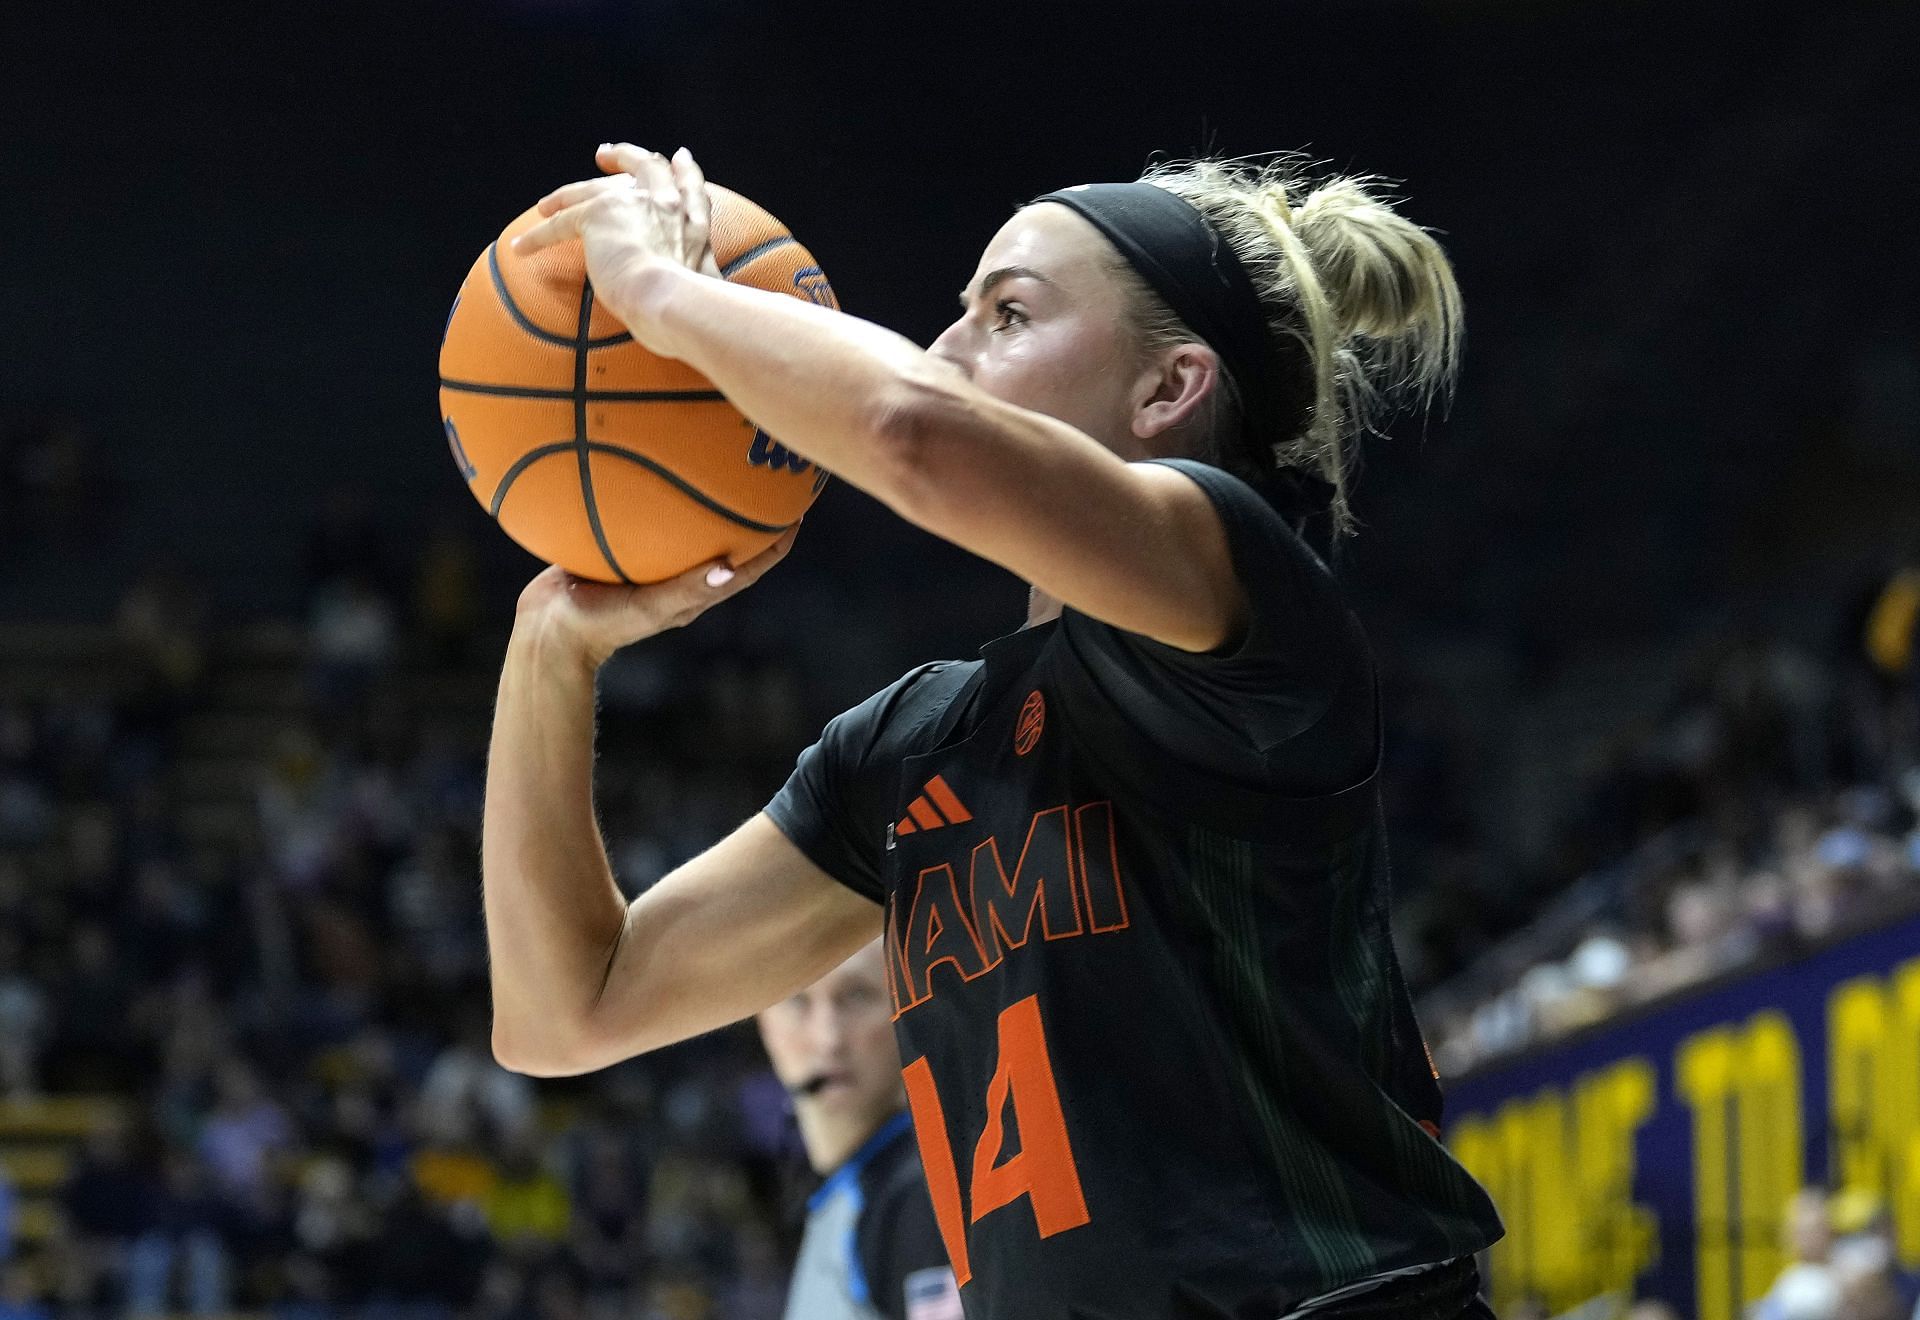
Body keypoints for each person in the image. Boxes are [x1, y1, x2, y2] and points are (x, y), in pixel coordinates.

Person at [483, 141, 1505, 1318]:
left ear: (1167, 389)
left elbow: (915, 432)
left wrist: (665, 295)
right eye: (957, 313)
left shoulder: (1246, 597)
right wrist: (550, 646)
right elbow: (568, 1010)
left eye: (1010, 314)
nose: (947, 349)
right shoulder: (910, 750)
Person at [756, 940, 958, 1320]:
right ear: (763, 1021)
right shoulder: (856, 1192)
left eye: (856, 996)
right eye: (797, 1001)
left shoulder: (920, 1195)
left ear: (909, 1008)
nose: (828, 1039)